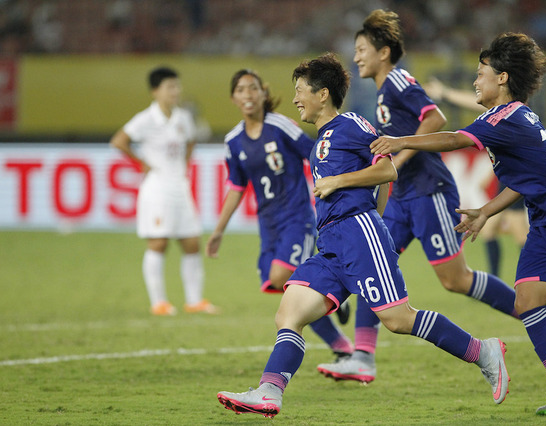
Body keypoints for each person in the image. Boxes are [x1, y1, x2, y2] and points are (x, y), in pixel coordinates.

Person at [216, 52, 509, 418]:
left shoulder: (352, 124)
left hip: (358, 234)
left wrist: (352, 196)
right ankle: (269, 392)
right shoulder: (320, 139)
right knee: (288, 313)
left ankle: (484, 352)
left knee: (399, 320)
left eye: (300, 90)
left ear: (323, 94)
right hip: (331, 245)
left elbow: (386, 171)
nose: (295, 99)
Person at [371, 32, 546, 415]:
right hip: (544, 226)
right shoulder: (506, 119)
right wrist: (486, 211)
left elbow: (450, 139)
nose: (475, 80)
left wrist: (403, 142)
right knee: (528, 302)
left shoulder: (506, 118)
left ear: (502, 78)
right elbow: (522, 181)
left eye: (481, 73)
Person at [317, 9, 527, 384]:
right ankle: (363, 357)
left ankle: (530, 309)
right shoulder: (384, 90)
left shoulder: (397, 79)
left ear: (383, 52)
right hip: (403, 196)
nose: (356, 57)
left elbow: (435, 118)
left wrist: (398, 155)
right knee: (371, 265)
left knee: (455, 280)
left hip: (428, 192)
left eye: (362, 49)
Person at [206, 69, 353, 359]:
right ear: (234, 97)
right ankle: (341, 344)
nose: (247, 94)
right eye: (241, 90)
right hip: (268, 224)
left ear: (263, 93)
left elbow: (316, 154)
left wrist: (334, 187)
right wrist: (218, 230)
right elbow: (236, 187)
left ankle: (337, 310)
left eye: (253, 88)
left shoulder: (280, 126)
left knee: (287, 281)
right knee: (285, 288)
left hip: (297, 217)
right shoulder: (233, 140)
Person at [110, 66, 218, 316]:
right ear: (154, 91)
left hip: (179, 185)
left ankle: (194, 301)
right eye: (170, 87)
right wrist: (142, 164)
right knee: (158, 242)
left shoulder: (183, 117)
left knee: (191, 242)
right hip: (157, 188)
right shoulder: (145, 119)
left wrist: (184, 166)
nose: (175, 91)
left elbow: (191, 141)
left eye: (177, 86)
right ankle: (158, 302)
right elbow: (118, 140)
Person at [425, 76, 529, 278]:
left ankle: (535, 277)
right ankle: (496, 279)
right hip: (512, 177)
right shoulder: (515, 112)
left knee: (520, 233)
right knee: (490, 230)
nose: (479, 81)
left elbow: (471, 106)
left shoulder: (509, 109)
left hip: (517, 180)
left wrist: (445, 93)